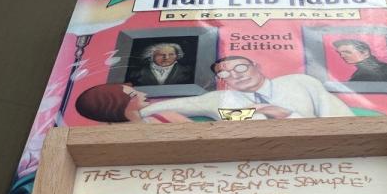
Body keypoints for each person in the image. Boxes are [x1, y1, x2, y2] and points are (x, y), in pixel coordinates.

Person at [140, 56, 352, 121]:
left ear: (256, 66)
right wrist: (137, 114)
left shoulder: (300, 83)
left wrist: (284, 114)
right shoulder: (220, 100)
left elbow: (343, 123)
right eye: (225, 74)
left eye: (241, 67)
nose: (235, 75)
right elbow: (178, 105)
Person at [75, 83, 187, 123]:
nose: (143, 94)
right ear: (115, 106)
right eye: (133, 95)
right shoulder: (168, 117)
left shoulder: (168, 116)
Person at [128, 43, 192, 86]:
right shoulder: (136, 73)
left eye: (171, 54)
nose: (166, 58)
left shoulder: (188, 71)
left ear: (177, 56)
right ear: (151, 56)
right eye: (161, 55)